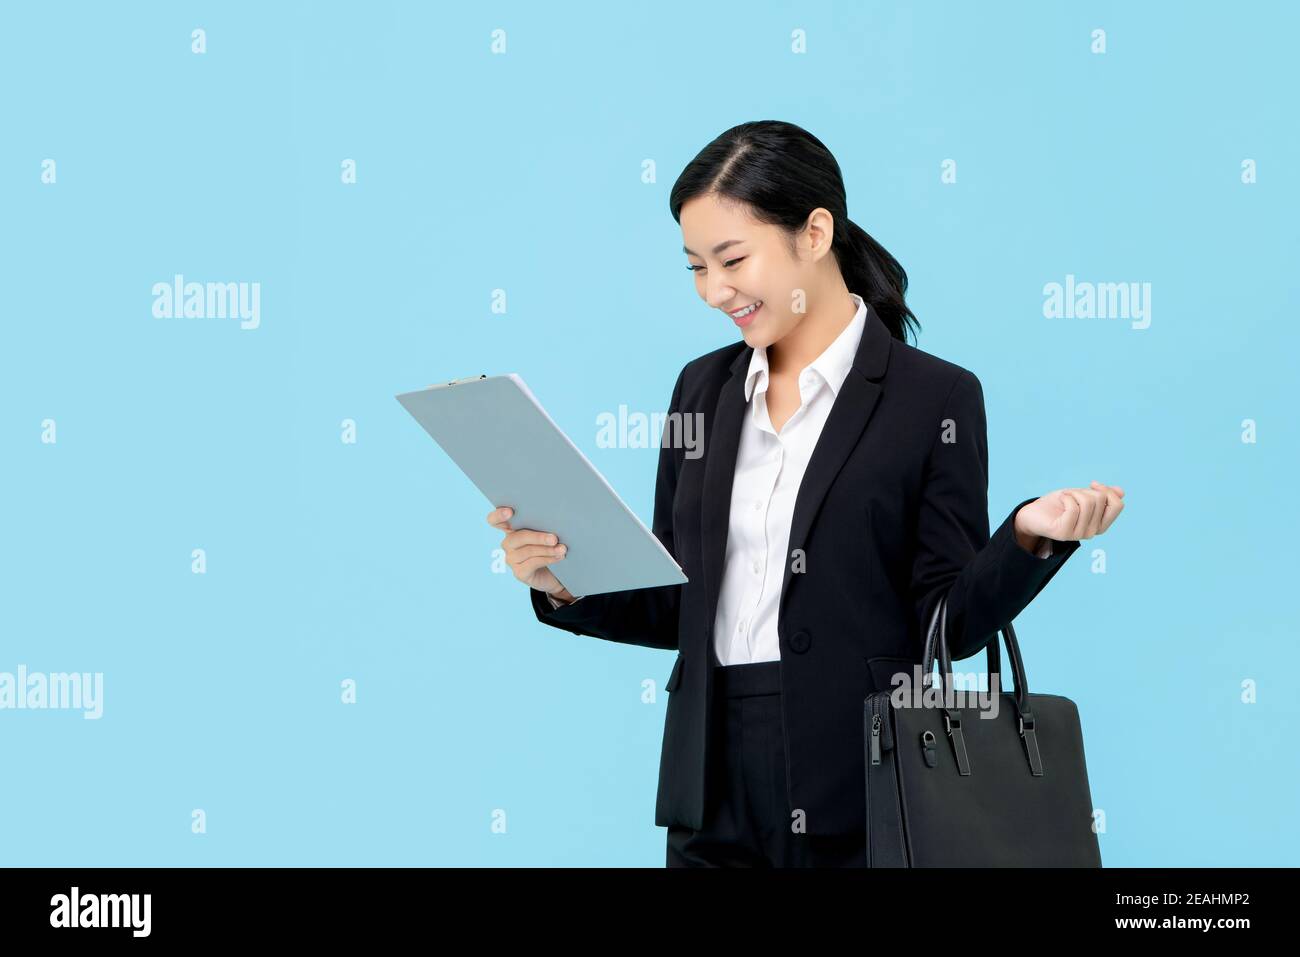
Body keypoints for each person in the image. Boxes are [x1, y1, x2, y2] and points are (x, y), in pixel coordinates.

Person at [487, 120, 1124, 867]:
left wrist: (1025, 540)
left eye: (732, 258)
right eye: (695, 265)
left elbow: (943, 626)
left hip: (864, 778)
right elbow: (678, 598)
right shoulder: (701, 389)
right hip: (709, 782)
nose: (713, 290)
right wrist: (566, 579)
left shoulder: (934, 398)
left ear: (814, 233)